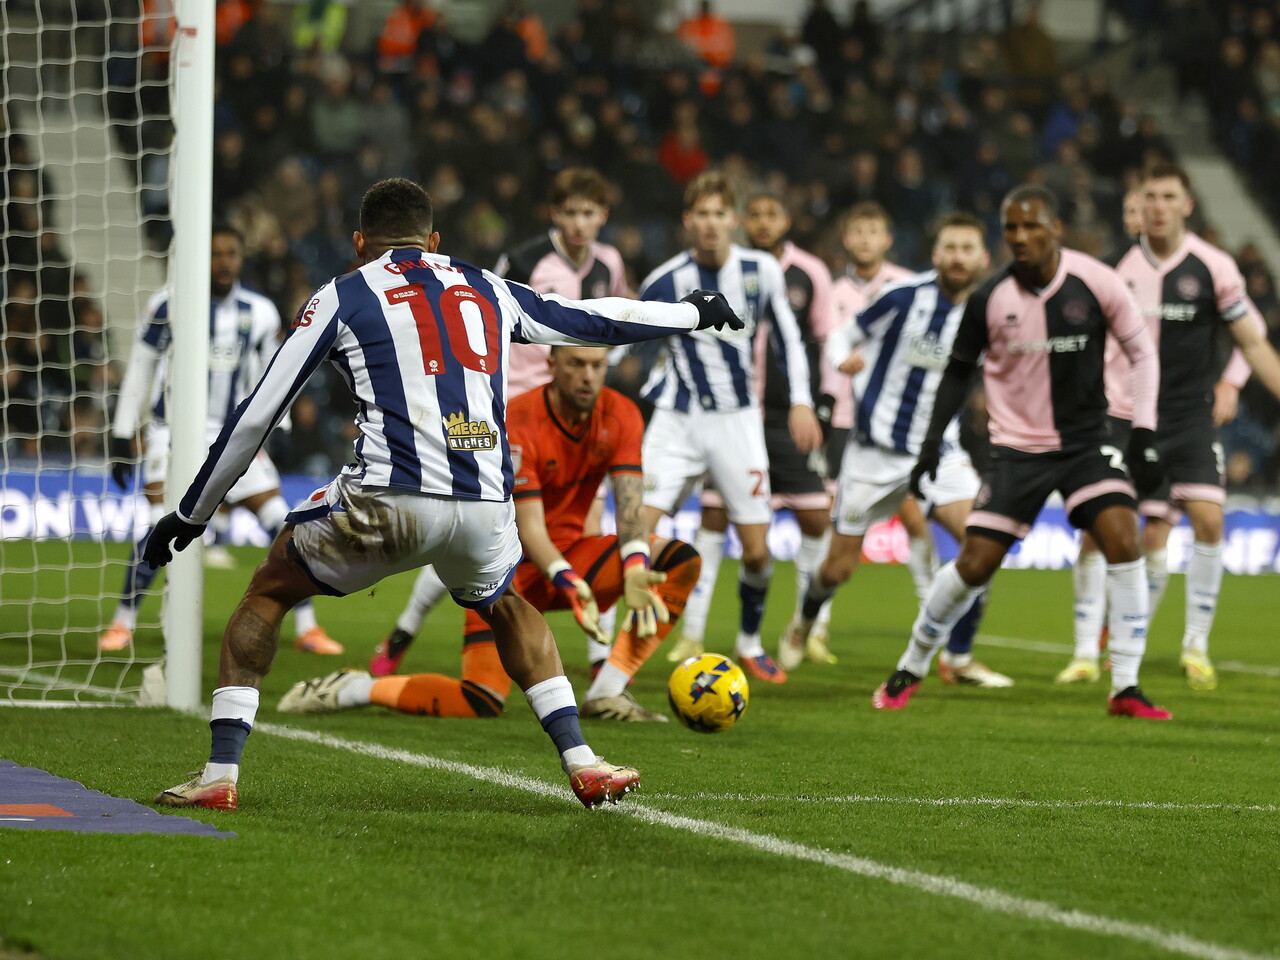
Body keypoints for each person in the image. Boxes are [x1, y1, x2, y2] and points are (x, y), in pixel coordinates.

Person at [142, 178, 742, 812]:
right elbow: (591, 318)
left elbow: (259, 412)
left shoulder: (344, 294)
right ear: (434, 241)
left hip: (387, 500)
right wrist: (692, 312)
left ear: (358, 244)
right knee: (507, 605)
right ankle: (583, 760)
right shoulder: (484, 286)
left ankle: (219, 773)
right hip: (484, 502)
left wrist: (192, 512)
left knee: (269, 589)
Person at [871, 184, 1171, 719]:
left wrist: (1143, 433)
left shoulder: (1096, 281)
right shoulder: (990, 298)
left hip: (1086, 444)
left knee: (1124, 539)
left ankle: (1124, 685)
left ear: (1055, 229)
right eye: (1010, 228)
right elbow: (958, 373)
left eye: (1031, 226)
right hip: (1017, 450)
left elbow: (1142, 352)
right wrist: (929, 446)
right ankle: (911, 665)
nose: (1019, 237)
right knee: (974, 563)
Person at [279, 345, 702, 722]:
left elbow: (630, 508)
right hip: (506, 570)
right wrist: (568, 581)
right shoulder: (520, 418)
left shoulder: (622, 413)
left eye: (597, 365)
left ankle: (607, 693)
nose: (588, 375)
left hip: (575, 556)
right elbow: (530, 527)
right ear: (552, 364)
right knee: (479, 700)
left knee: (679, 560)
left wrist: (633, 566)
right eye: (576, 364)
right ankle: (356, 688)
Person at [370, 167, 630, 676]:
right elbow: (482, 314)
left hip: (574, 410)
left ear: (603, 217)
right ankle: (404, 630)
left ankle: (602, 665)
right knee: (475, 531)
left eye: (589, 213)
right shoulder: (527, 259)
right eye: (571, 212)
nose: (580, 223)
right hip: (514, 411)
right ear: (556, 214)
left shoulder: (611, 264)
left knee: (590, 526)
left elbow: (607, 323)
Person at [1057, 162, 1280, 689]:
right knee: (1098, 531)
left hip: (1186, 417)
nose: (1157, 206)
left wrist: (1231, 382)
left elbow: (1252, 340)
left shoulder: (1215, 267)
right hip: (1119, 416)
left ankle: (1196, 645)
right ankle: (1087, 652)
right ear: (1139, 204)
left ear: (1187, 204)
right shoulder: (1111, 268)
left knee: (1208, 520)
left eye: (1167, 196)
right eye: (1149, 196)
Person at [781, 212, 1013, 688]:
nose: (957, 257)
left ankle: (959, 657)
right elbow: (845, 332)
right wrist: (839, 357)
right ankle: (806, 616)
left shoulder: (990, 309)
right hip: (873, 454)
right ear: (935, 253)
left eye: (967, 248)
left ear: (983, 257)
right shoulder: (905, 296)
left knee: (982, 548)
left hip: (938, 452)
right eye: (949, 247)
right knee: (838, 568)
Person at [102, 224, 341, 655]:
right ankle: (123, 622)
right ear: (200, 258)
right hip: (172, 433)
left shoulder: (261, 312)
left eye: (231, 253)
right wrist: (123, 434)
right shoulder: (169, 304)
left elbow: (274, 378)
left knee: (285, 527)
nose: (224, 262)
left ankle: (307, 627)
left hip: (235, 435)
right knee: (157, 524)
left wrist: (280, 429)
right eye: (216, 254)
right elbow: (141, 367)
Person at [639, 171, 823, 684]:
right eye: (702, 214)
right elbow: (628, 339)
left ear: (733, 221)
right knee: (632, 533)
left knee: (759, 552)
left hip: (739, 423)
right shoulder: (665, 278)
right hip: (676, 423)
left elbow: (788, 336)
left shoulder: (761, 269)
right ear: (687, 221)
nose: (712, 223)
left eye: (721, 214)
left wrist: (803, 401)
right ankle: (612, 651)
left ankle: (748, 641)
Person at [829, 203, 939, 640]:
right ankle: (815, 623)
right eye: (857, 231)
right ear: (846, 238)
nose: (865, 239)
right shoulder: (835, 292)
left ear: (887, 238)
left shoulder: (905, 287)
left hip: (897, 426)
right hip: (844, 420)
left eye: (874, 230)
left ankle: (930, 611)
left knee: (914, 521)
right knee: (835, 536)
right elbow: (831, 343)